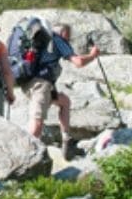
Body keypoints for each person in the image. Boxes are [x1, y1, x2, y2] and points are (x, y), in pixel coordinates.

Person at [10, 20, 100, 157]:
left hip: (27, 83)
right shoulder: (57, 39)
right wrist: (92, 55)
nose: (68, 40)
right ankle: (24, 156)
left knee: (64, 102)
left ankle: (67, 141)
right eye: (68, 36)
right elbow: (78, 62)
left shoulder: (40, 40)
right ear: (63, 32)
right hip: (41, 85)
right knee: (37, 123)